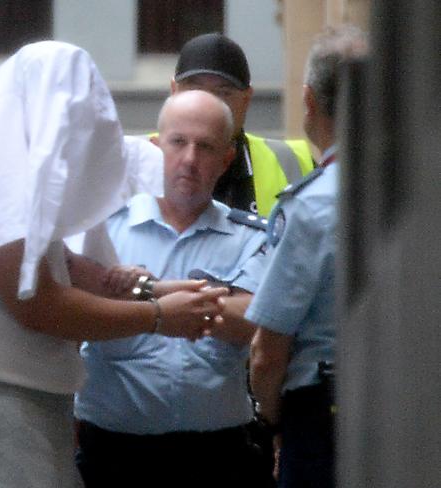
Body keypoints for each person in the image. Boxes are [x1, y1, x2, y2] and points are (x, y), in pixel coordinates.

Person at [0, 41, 226, 488]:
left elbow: (64, 265)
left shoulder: (4, 172)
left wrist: (154, 290)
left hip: (6, 406)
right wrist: (160, 316)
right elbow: (41, 304)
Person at [73, 89, 273, 487]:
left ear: (226, 160)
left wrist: (147, 290)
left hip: (219, 459)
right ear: (154, 148)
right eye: (178, 142)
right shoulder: (102, 230)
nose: (190, 160)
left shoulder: (253, 237)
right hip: (115, 457)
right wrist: (204, 299)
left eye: (206, 147)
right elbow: (75, 312)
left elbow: (254, 319)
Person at [246, 25, 369, 488]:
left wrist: (274, 421)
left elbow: (267, 353)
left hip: (325, 418)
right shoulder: (419, 193)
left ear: (309, 101)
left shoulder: (313, 205)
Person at [167, 32, 315, 217]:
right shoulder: (136, 160)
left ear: (247, 99)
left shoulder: (293, 163)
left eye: (223, 93)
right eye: (195, 90)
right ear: (173, 91)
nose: (206, 105)